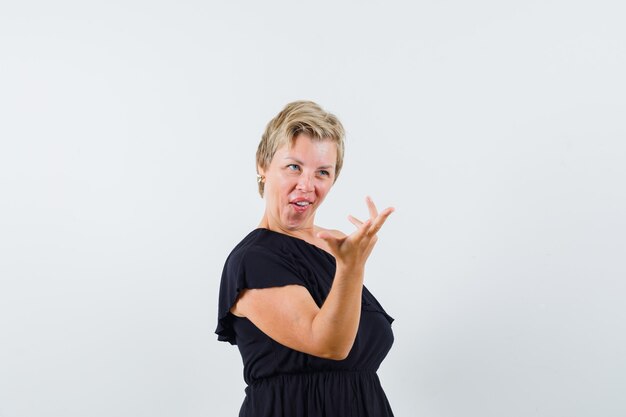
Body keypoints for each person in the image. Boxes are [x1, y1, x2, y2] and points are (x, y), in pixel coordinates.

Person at [216, 101, 395, 417]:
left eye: (322, 172)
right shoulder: (253, 259)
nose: (307, 186)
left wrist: (348, 263)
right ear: (263, 165)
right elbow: (330, 345)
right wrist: (352, 267)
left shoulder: (336, 247)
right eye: (294, 167)